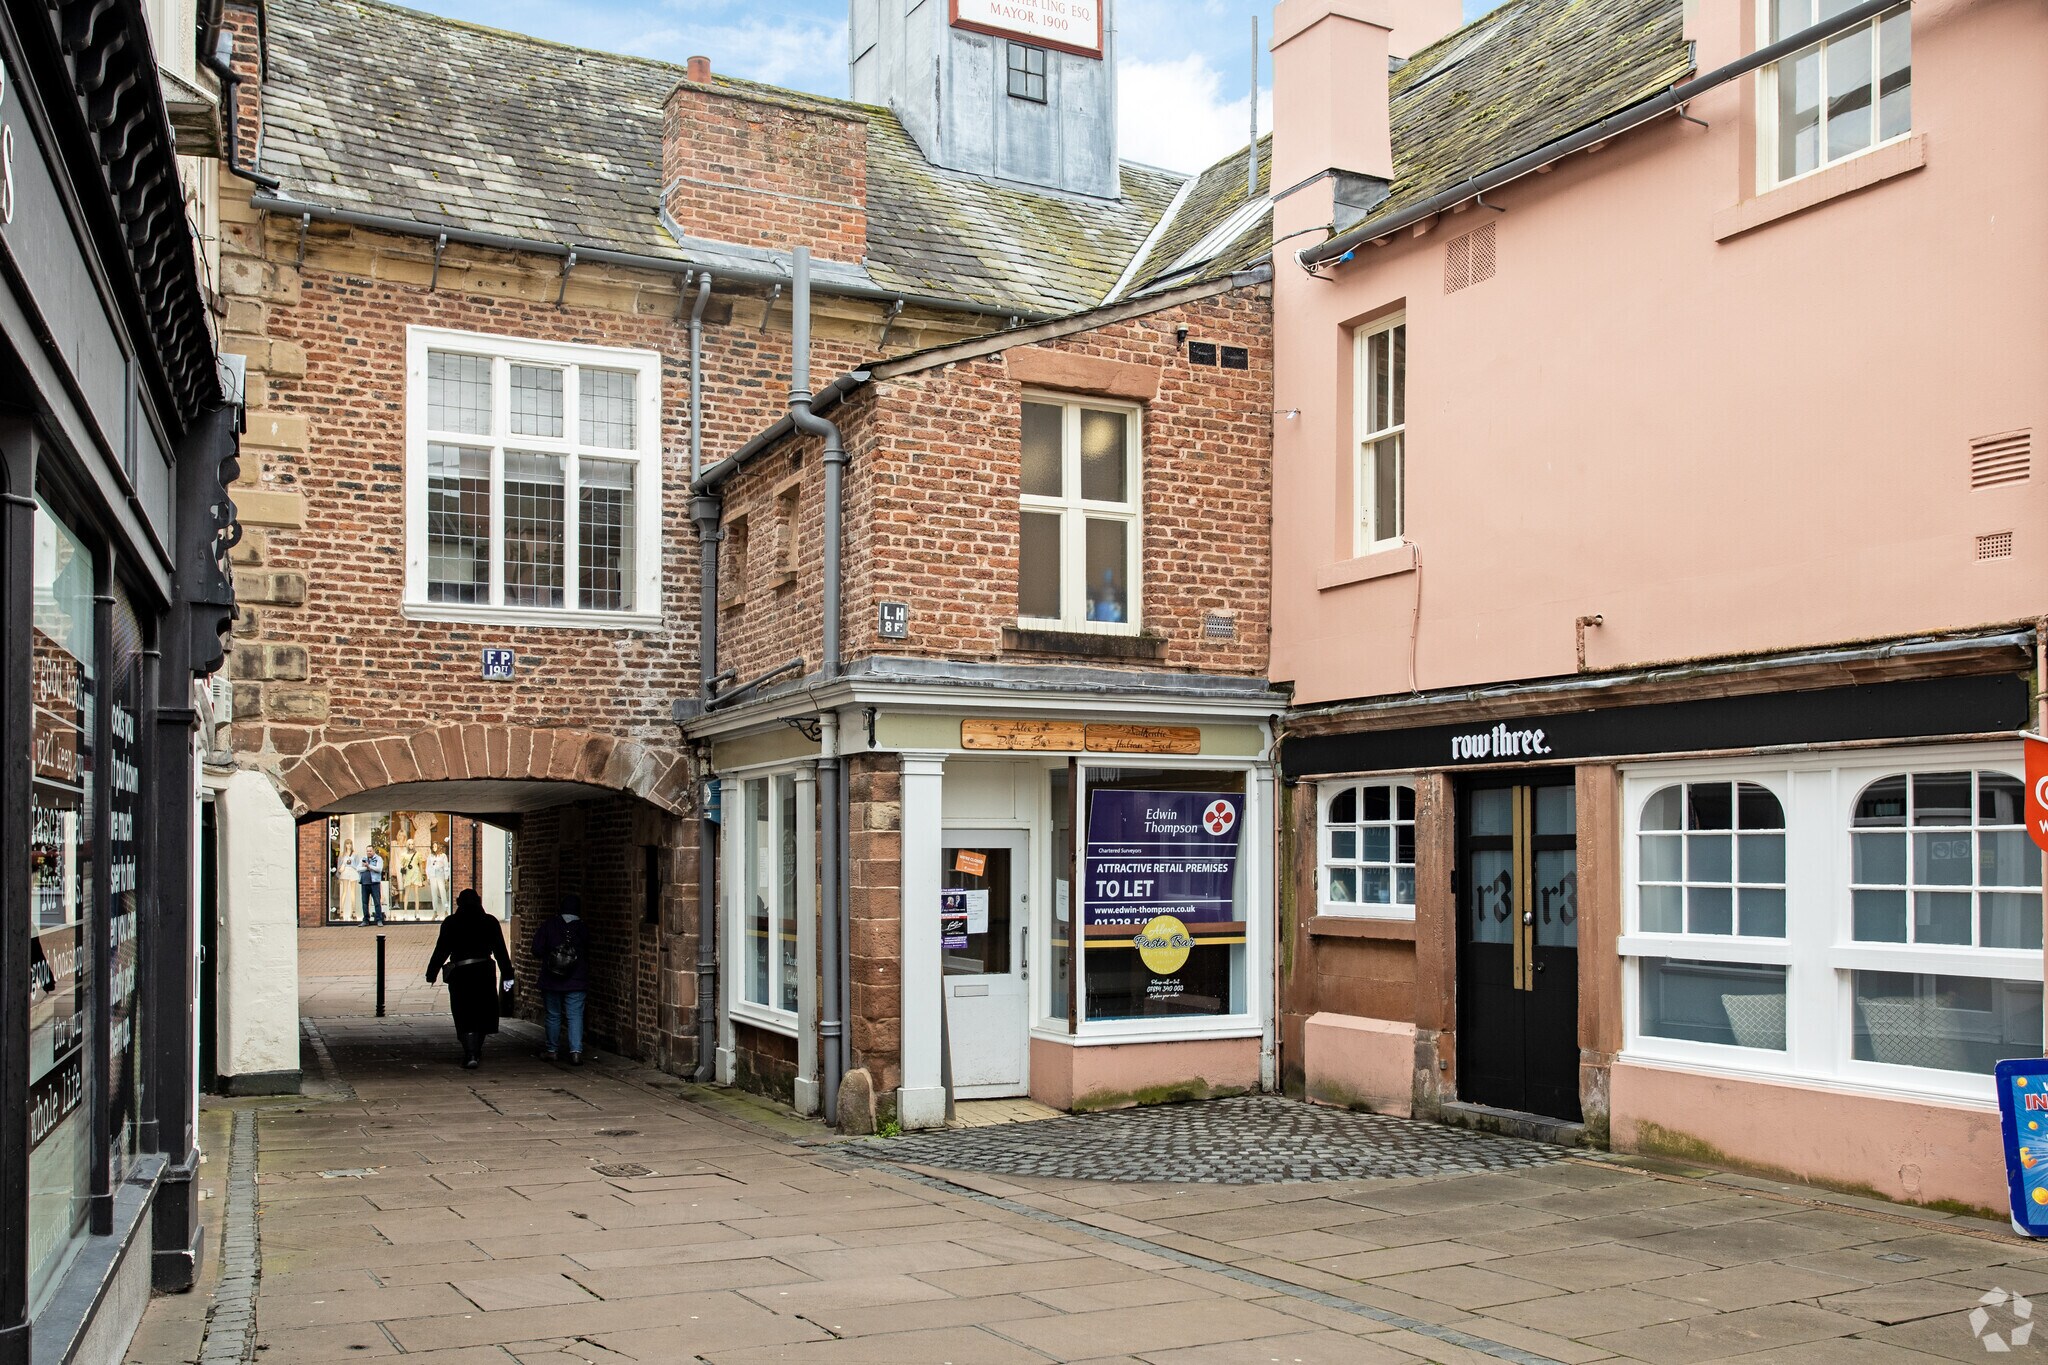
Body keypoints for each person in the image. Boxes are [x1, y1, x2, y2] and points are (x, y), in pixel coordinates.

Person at [426, 888, 513, 1068]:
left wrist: (432, 972)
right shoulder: (489, 922)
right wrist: (508, 973)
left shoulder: (452, 923)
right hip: (483, 971)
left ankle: (470, 1052)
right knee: (482, 1012)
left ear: (459, 903)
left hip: (461, 972)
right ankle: (476, 1050)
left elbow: (442, 949)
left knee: (463, 1012)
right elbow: (500, 951)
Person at [532, 893, 590, 1065]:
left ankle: (552, 1050)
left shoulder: (549, 926)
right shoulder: (582, 928)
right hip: (577, 979)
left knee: (553, 1015)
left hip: (552, 979)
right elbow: (588, 949)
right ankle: (576, 1052)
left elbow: (536, 949)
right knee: (575, 1015)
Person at [360, 846, 385, 925]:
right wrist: (366, 868)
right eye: (367, 851)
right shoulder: (363, 858)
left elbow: (379, 869)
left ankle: (379, 919)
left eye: (370, 851)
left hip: (374, 883)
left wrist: (369, 866)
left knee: (377, 902)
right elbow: (358, 868)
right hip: (364, 883)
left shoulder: (378, 859)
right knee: (364, 902)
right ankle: (366, 920)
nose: (369, 852)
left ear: (373, 851)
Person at [427, 840, 451, 916]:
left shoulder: (443, 856)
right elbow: (428, 867)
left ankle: (445, 910)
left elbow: (446, 867)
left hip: (440, 874)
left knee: (442, 892)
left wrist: (446, 877)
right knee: (434, 894)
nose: (434, 848)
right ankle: (435, 911)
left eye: (436, 846)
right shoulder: (430, 856)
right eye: (433, 846)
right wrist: (428, 877)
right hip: (432, 875)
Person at [337, 840, 360, 922]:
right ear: (345, 845)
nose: (349, 845)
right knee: (344, 892)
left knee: (353, 892)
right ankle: (341, 911)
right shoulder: (342, 854)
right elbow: (339, 867)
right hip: (345, 872)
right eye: (347, 844)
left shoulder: (355, 854)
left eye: (350, 844)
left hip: (353, 871)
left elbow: (358, 865)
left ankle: (354, 911)